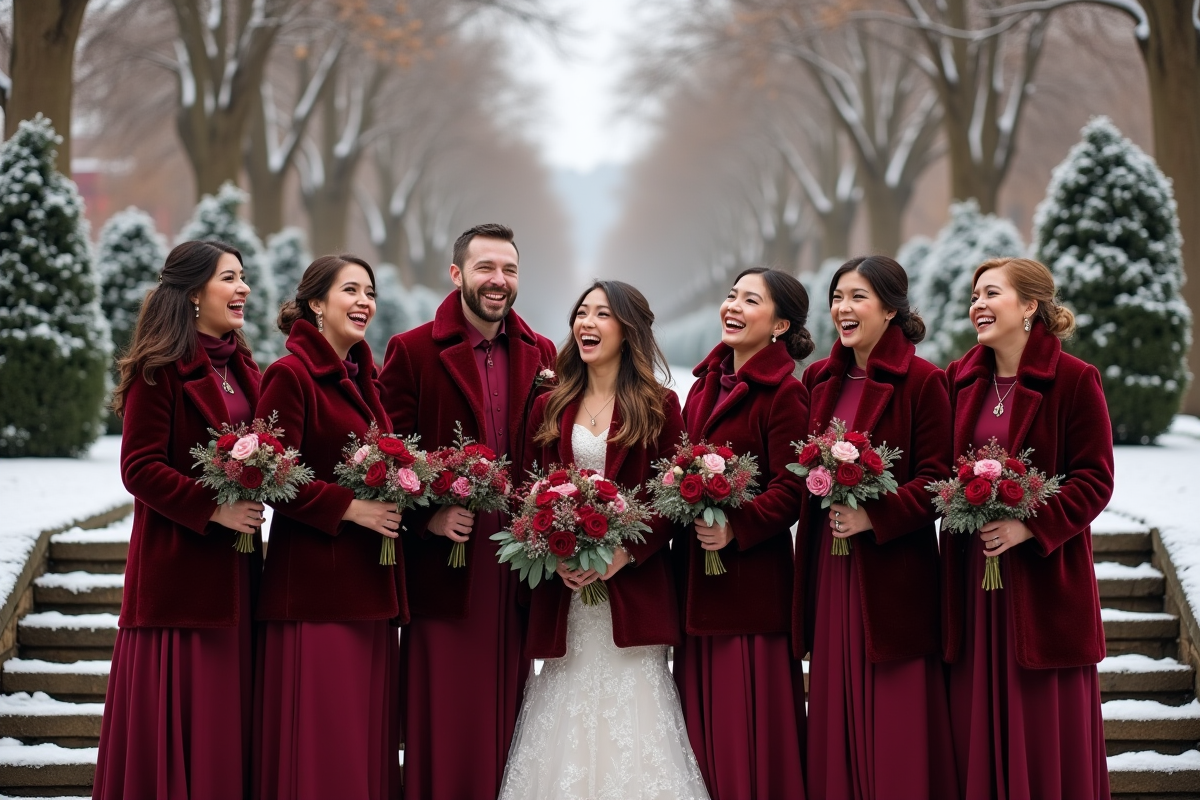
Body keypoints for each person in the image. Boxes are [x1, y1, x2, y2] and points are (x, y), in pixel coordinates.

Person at [499, 280, 709, 800]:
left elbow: (672, 498)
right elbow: (525, 490)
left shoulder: (659, 405)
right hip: (565, 596)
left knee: (635, 725)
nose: (586, 323)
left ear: (628, 331)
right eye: (582, 313)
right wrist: (552, 555)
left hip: (632, 595)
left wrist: (624, 554)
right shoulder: (549, 403)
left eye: (602, 315)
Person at [378, 223, 557, 799]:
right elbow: (387, 456)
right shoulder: (411, 351)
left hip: (521, 563)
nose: (498, 280)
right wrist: (426, 518)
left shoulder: (542, 352)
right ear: (457, 275)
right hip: (447, 563)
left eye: (508, 269)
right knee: (446, 713)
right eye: (485, 268)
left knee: (513, 711)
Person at [95, 240, 262, 799]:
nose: (242, 288)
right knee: (190, 721)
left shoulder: (244, 367)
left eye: (242, 277)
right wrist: (214, 507)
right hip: (180, 578)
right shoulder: (159, 369)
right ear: (193, 293)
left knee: (229, 723)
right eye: (229, 278)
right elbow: (139, 468)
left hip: (240, 573)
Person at [944, 256, 1113, 800]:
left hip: (1044, 583)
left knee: (1041, 727)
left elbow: (1095, 479)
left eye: (991, 293)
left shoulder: (1075, 379)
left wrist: (1028, 526)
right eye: (974, 296)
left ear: (1029, 306)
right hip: (973, 580)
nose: (978, 304)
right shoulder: (959, 378)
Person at [799, 255, 958, 799]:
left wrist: (874, 514)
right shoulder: (819, 378)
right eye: (837, 297)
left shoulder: (924, 381)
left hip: (893, 575)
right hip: (829, 563)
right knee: (833, 700)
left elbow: (938, 480)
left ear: (890, 309)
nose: (843, 308)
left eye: (857, 297)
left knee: (896, 712)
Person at [253, 255, 405, 800]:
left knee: (359, 741)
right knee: (325, 744)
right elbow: (270, 475)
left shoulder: (366, 381)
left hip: (370, 587)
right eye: (351, 290)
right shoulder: (289, 375)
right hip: (316, 591)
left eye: (370, 292)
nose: (365, 302)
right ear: (316, 302)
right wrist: (351, 508)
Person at [673, 267, 811, 800]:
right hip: (697, 583)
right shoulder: (703, 386)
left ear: (780, 325)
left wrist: (736, 526)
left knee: (746, 730)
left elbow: (792, 489)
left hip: (750, 592)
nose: (733, 306)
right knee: (699, 733)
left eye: (751, 301)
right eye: (732, 296)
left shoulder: (786, 395)